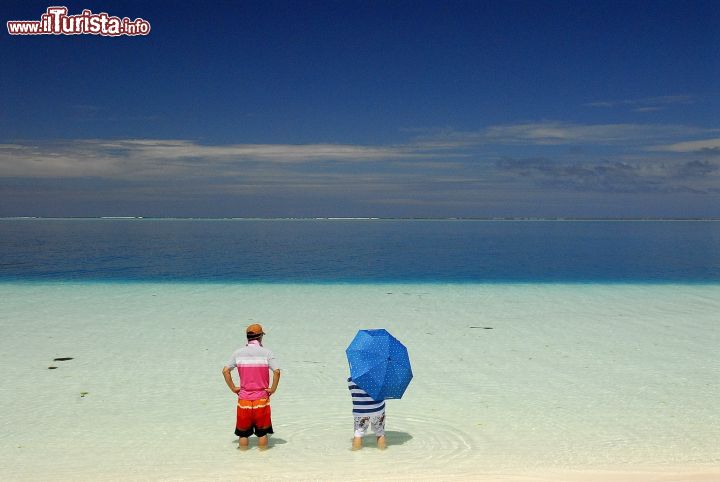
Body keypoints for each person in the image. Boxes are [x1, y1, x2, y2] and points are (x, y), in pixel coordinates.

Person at [222, 323, 281, 450]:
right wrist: (273, 389)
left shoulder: (238, 353)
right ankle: (263, 460)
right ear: (260, 337)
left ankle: (243, 461)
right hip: (262, 399)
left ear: (247, 338)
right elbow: (276, 371)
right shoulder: (266, 353)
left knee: (243, 434)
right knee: (262, 433)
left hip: (244, 399)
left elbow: (225, 371)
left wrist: (233, 388)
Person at [348, 376, 386, 450]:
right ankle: (382, 454)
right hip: (378, 410)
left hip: (360, 412)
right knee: (380, 434)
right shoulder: (381, 379)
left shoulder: (352, 380)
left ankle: (355, 455)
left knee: (358, 434)